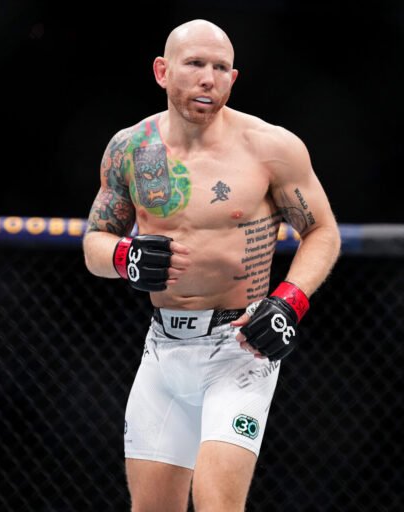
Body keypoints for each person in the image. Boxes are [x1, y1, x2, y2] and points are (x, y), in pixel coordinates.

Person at [82, 18, 341, 512]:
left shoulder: (270, 147)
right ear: (162, 71)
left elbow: (322, 232)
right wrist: (124, 256)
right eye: (196, 64)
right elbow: (96, 242)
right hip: (163, 348)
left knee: (216, 503)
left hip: (239, 348)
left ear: (233, 78)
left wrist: (289, 302)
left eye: (221, 68)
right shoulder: (130, 149)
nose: (209, 79)